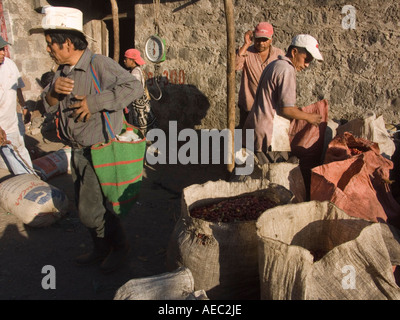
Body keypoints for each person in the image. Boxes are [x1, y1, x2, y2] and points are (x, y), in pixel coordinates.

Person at [30, 6, 144, 273]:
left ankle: (120, 247)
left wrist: (94, 103)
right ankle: (101, 248)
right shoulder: (61, 72)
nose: (49, 49)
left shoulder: (98, 64)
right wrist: (53, 94)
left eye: (51, 44)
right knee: (90, 205)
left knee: (92, 209)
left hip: (101, 148)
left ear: (67, 42)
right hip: (78, 151)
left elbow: (133, 86)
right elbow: (45, 106)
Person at [243, 34, 323, 165]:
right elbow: (286, 109)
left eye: (310, 61)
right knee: (275, 176)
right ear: (294, 52)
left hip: (258, 128)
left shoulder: (275, 64)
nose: (307, 65)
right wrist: (308, 117)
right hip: (270, 135)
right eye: (306, 59)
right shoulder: (287, 70)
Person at [235, 22, 285, 128]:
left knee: (266, 138)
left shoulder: (279, 55)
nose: (261, 43)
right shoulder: (246, 52)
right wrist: (246, 44)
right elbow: (234, 66)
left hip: (270, 107)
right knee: (243, 137)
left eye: (265, 40)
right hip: (248, 104)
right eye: (258, 40)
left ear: (271, 39)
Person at [0, 35, 35, 176]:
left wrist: (24, 106)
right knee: (5, 163)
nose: (2, 52)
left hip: (10, 122)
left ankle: (30, 182)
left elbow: (18, 87)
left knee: (19, 154)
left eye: (3, 49)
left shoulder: (9, 64)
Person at [123, 48, 157, 135]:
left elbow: (132, 90)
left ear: (132, 61)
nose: (124, 61)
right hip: (141, 106)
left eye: (126, 59)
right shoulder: (137, 70)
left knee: (140, 132)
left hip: (138, 109)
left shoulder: (135, 73)